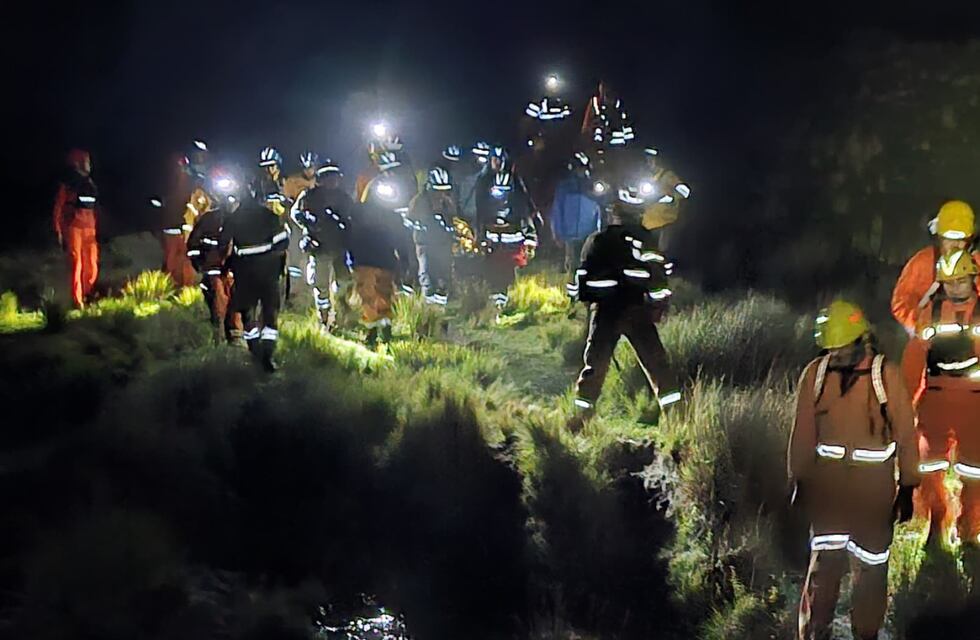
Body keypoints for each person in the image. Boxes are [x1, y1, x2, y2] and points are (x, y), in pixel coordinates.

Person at [789, 300, 918, 640]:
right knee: (823, 570)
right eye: (832, 349)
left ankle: (866, 633)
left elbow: (906, 433)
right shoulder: (815, 375)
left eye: (844, 349)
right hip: (829, 489)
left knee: (871, 570)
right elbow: (802, 433)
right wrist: (800, 480)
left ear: (862, 340)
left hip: (873, 493)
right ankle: (814, 633)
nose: (838, 356)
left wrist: (908, 486)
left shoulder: (884, 375)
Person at [567, 173, 679, 431]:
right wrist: (661, 303)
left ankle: (581, 418)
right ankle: (675, 417)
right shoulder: (644, 239)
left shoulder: (597, 239)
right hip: (634, 308)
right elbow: (658, 277)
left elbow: (581, 276)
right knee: (656, 363)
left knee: (595, 364)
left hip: (604, 311)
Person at [901, 249, 980, 548]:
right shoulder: (929, 312)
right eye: (950, 281)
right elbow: (914, 357)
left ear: (974, 279)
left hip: (974, 399)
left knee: (974, 467)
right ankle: (937, 519)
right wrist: (907, 400)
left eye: (962, 280)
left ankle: (970, 528)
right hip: (936, 396)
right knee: (929, 464)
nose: (956, 286)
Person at [219, 178, 290, 372]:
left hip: (244, 273)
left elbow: (223, 243)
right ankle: (267, 355)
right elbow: (283, 242)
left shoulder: (233, 219)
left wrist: (226, 264)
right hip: (268, 272)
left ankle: (254, 350)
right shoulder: (269, 216)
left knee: (247, 313)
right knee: (270, 313)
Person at [891, 200, 980, 333]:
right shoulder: (922, 262)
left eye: (960, 240)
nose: (955, 245)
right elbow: (901, 302)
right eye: (949, 239)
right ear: (939, 237)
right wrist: (920, 323)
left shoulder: (977, 263)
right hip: (928, 333)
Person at [296, 159, 356, 331]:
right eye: (329, 177)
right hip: (319, 247)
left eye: (335, 177)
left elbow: (352, 219)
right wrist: (307, 222)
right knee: (321, 285)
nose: (333, 181)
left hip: (339, 247)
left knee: (344, 282)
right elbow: (296, 213)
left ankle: (340, 314)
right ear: (322, 178)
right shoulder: (310, 196)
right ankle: (324, 319)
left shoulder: (344, 198)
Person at [186, 166, 243, 343]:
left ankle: (236, 342)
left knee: (237, 308)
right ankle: (218, 341)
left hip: (236, 272)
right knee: (218, 306)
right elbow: (193, 244)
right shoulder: (209, 219)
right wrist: (199, 263)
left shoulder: (242, 218)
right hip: (214, 272)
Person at [476, 157, 538, 312]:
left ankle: (508, 303)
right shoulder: (488, 207)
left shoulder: (518, 206)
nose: (500, 197)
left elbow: (527, 223)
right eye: (497, 193)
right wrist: (482, 240)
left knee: (509, 277)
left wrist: (530, 242)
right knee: (493, 276)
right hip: (494, 249)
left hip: (512, 250)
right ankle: (495, 306)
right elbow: (482, 222)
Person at [360, 151, 419, 293]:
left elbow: (413, 201)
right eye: (387, 170)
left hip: (404, 227)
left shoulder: (407, 182)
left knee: (408, 254)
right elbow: (365, 207)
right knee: (389, 258)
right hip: (383, 230)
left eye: (393, 169)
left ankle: (407, 283)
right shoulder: (375, 185)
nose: (391, 173)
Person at [346, 198, 400, 348]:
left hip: (371, 261)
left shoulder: (360, 213)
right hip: (377, 261)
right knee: (377, 297)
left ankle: (376, 332)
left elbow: (351, 239)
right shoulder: (388, 215)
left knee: (373, 298)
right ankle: (378, 332)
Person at [52, 149, 100, 308]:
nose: (89, 164)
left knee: (91, 265)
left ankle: (87, 294)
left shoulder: (90, 183)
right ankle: (77, 300)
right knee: (76, 263)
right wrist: (58, 230)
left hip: (89, 229)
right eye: (86, 161)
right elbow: (59, 207)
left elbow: (93, 207)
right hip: (74, 228)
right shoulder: (68, 183)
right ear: (78, 162)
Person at [162, 140, 210, 287]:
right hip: (177, 221)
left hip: (188, 223)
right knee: (176, 257)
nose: (201, 160)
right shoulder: (183, 173)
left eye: (203, 156)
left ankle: (185, 286)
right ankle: (176, 287)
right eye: (199, 156)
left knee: (185, 256)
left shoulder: (202, 176)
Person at [407, 167, 458, 305]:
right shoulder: (419, 201)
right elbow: (409, 219)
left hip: (443, 243)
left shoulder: (447, 203)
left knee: (444, 269)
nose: (440, 194)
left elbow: (453, 219)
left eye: (444, 190)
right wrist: (417, 224)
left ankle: (442, 295)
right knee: (426, 269)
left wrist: (451, 230)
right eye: (437, 190)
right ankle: (428, 298)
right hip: (424, 243)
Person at [550, 152, 602, 280]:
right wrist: (557, 233)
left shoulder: (593, 186)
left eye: (583, 168)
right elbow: (557, 211)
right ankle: (573, 294)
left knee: (589, 264)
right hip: (570, 234)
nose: (581, 171)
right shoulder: (564, 187)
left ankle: (585, 291)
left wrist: (598, 232)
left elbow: (601, 210)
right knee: (572, 265)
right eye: (579, 168)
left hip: (589, 233)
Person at [281, 151, 322, 305]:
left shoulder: (321, 181)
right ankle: (294, 292)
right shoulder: (293, 181)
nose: (308, 171)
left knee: (316, 258)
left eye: (311, 167)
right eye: (306, 168)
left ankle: (314, 290)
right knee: (295, 258)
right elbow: (286, 202)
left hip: (317, 225)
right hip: (297, 224)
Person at [641, 147, 691, 250]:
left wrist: (672, 197)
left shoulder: (668, 176)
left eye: (652, 159)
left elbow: (685, 192)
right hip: (648, 225)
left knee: (662, 253)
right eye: (648, 159)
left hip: (665, 223)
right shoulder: (647, 178)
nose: (649, 162)